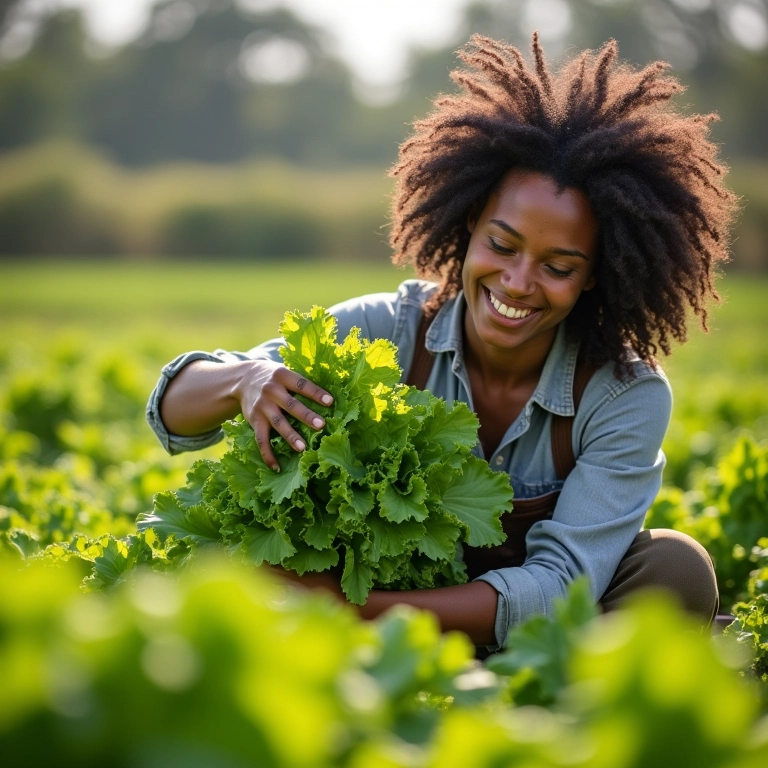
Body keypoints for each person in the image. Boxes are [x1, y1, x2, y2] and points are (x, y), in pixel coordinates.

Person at [147, 34, 736, 651]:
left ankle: (492, 679)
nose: (518, 282)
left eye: (558, 267)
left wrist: (350, 610)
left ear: (595, 276)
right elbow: (172, 412)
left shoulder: (622, 394)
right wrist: (243, 380)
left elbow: (559, 587)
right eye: (502, 245)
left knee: (675, 570)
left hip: (467, 628)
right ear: (470, 223)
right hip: (372, 614)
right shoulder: (387, 331)